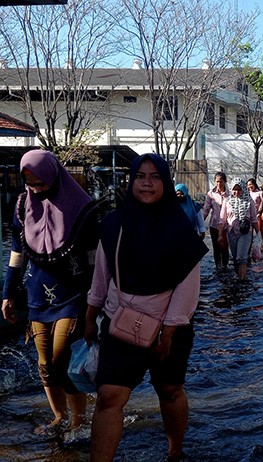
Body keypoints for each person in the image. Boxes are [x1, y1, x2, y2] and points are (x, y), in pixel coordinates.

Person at [84, 153, 207, 462]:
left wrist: (168, 331)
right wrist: (90, 313)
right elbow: (102, 272)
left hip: (170, 326)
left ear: (165, 183)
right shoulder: (113, 225)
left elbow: (188, 286)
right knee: (109, 395)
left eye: (155, 177)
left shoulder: (180, 230)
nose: (147, 184)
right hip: (118, 321)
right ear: (132, 181)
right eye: (141, 176)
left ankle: (174, 451)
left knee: (169, 390)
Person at [1, 149, 100, 435]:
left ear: (54, 176)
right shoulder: (23, 207)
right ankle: (59, 417)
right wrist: (7, 293)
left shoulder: (82, 208)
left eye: (41, 184)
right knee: (45, 364)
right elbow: (17, 253)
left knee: (62, 360)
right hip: (36, 297)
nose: (36, 189)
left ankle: (78, 420)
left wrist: (97, 300)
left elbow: (94, 258)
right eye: (30, 184)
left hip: (72, 297)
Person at [220, 179, 257, 279]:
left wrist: (258, 235)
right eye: (234, 190)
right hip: (231, 232)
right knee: (236, 258)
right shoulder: (227, 201)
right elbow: (222, 219)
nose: (236, 192)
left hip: (245, 233)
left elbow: (254, 219)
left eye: (239, 189)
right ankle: (238, 276)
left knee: (242, 258)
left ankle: (243, 280)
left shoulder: (249, 201)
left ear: (243, 189)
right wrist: (220, 235)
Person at [202, 172, 229, 269]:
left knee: (225, 247)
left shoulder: (229, 194)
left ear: (225, 182)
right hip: (214, 224)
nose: (218, 184)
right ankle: (218, 267)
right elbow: (206, 209)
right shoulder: (211, 194)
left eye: (221, 182)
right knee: (216, 248)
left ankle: (225, 266)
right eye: (217, 182)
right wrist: (200, 224)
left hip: (226, 225)